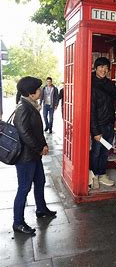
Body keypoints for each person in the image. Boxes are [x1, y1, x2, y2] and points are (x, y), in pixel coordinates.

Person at [13, 76, 57, 235]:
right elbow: (24, 133)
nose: (41, 91)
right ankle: (17, 222)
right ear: (31, 93)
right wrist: (40, 148)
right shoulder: (23, 108)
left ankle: (41, 208)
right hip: (26, 157)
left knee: (40, 181)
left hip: (33, 155)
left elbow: (36, 130)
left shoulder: (30, 105)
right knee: (24, 188)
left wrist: (43, 145)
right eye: (38, 89)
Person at [90, 57, 116, 189]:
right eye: (101, 67)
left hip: (109, 124)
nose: (104, 70)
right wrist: (95, 131)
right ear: (96, 68)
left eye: (106, 68)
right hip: (98, 125)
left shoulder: (108, 83)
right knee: (96, 151)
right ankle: (93, 175)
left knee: (105, 151)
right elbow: (91, 111)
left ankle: (102, 173)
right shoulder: (90, 83)